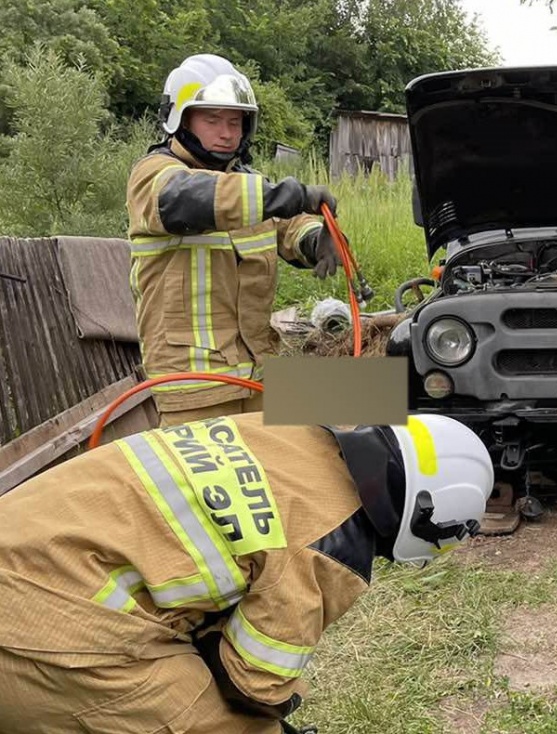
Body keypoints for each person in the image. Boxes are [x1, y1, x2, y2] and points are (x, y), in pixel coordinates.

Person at [0, 411, 493, 733]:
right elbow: (251, 684)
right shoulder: (333, 546)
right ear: (427, 518)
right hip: (47, 621)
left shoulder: (285, 427)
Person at [126, 53, 342, 428]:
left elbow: (286, 226)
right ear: (180, 120)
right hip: (196, 388)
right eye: (212, 120)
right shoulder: (154, 176)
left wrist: (314, 238)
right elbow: (197, 197)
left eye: (235, 121)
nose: (227, 133)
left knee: (382, 400)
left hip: (260, 375)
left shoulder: (248, 186)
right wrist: (289, 194)